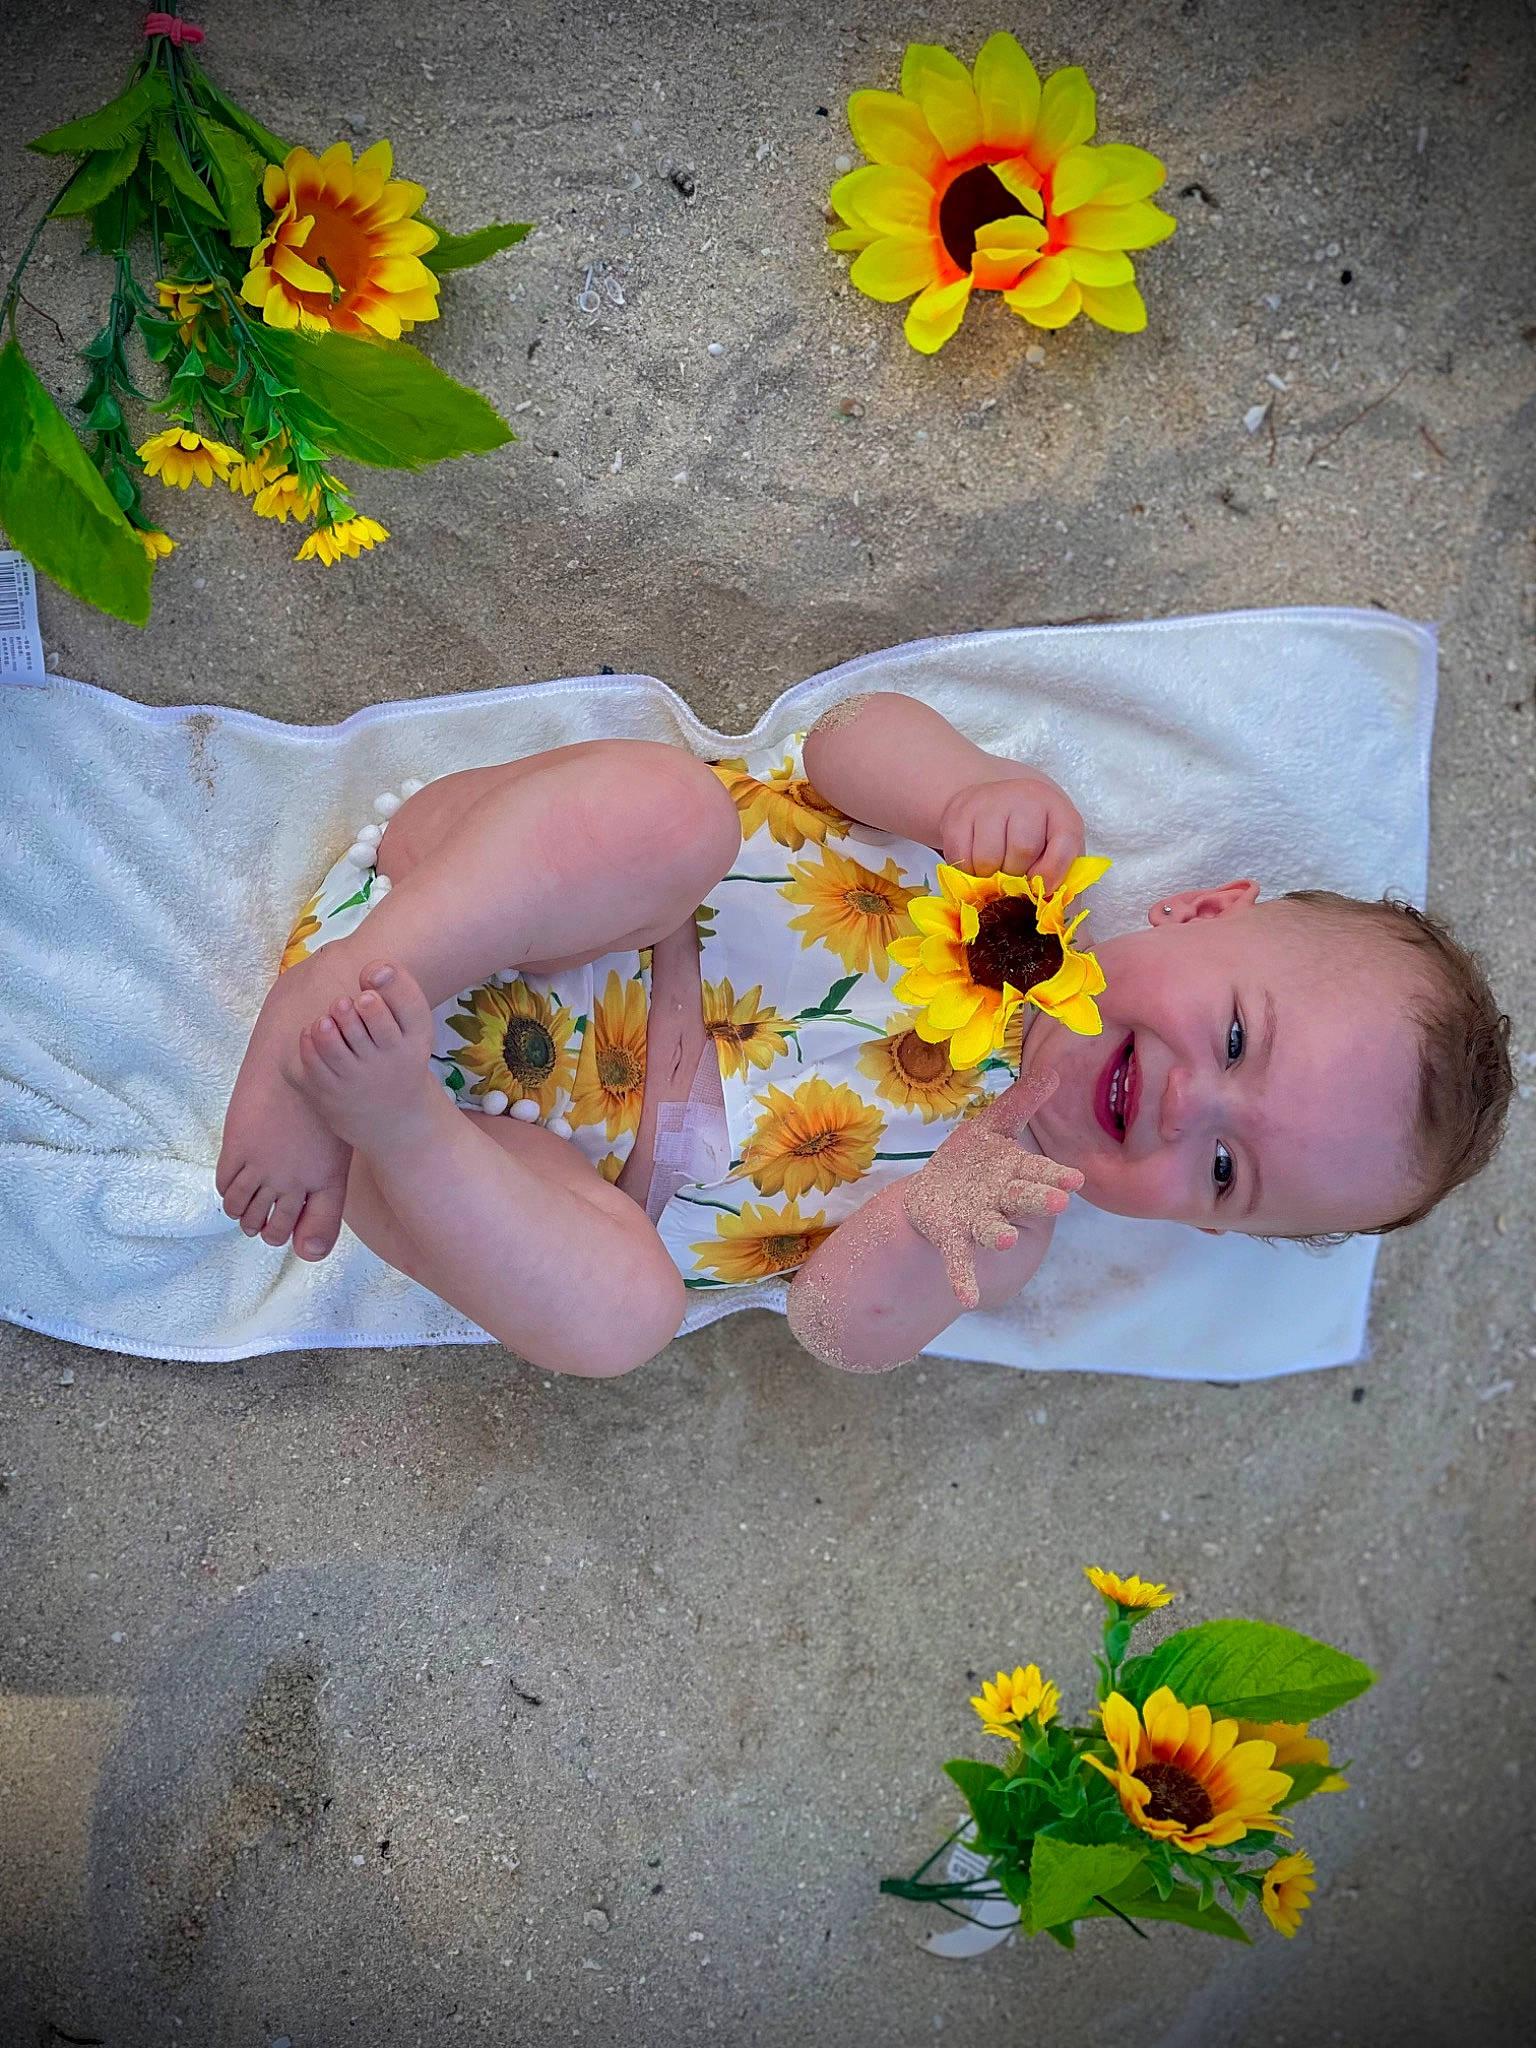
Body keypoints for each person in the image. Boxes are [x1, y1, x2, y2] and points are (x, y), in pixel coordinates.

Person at [217, 692, 1513, 1377]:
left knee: (623, 1320)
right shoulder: (1020, 865)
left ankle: (386, 1112)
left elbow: (832, 1327)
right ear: (1205, 909)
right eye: (1235, 1037)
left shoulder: (1007, 1230)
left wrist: (925, 1227)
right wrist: (959, 791)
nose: (1192, 1109)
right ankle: (347, 988)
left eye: (1227, 1172)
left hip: (486, 1160)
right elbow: (835, 741)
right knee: (667, 815)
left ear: (1199, 1227)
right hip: (502, 905)